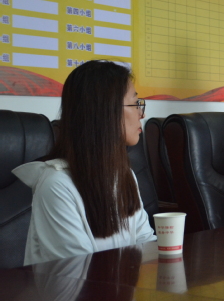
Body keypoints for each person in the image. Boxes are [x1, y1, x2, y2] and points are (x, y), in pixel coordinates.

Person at [12, 61, 155, 265]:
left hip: (121, 285)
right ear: (105, 112)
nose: (142, 114)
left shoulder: (124, 175)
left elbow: (145, 242)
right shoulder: (57, 185)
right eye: (135, 103)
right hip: (78, 286)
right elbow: (77, 272)